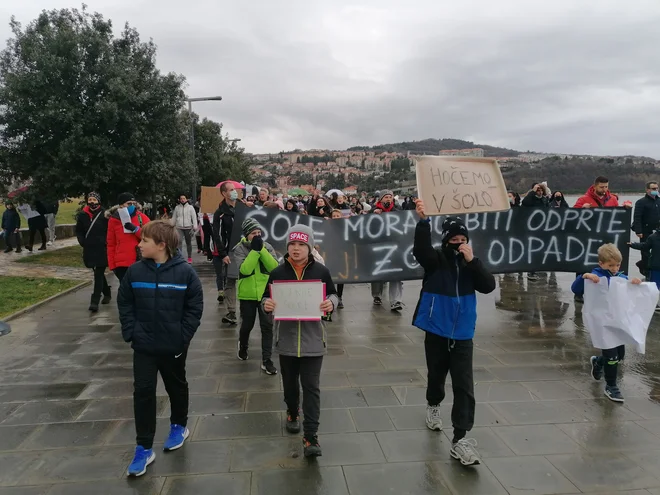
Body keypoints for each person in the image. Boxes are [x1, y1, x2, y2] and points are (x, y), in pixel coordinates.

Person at [412, 200, 496, 466]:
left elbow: (488, 286)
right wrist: (423, 222)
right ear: (446, 240)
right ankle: (433, 404)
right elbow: (421, 251)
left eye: (463, 239)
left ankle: (460, 438)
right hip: (437, 329)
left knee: (464, 385)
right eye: (454, 239)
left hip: (462, 334)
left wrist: (473, 262)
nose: (459, 243)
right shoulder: (436, 260)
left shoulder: (471, 264)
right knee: (436, 374)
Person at [119, 220, 204, 477]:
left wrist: (182, 337)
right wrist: (131, 332)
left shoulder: (185, 273)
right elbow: (125, 303)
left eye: (144, 240)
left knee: (176, 385)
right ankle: (143, 447)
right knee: (143, 391)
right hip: (143, 345)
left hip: (173, 345)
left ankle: (179, 425)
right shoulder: (134, 272)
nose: (140, 244)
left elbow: (195, 307)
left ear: (161, 245)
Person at [262, 225, 338, 458]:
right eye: (292, 244)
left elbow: (333, 294)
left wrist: (331, 303)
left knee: (311, 388)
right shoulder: (277, 273)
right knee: (290, 384)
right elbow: (266, 298)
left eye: (301, 244)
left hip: (313, 341)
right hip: (285, 339)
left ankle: (311, 436)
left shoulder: (322, 271)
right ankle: (292, 411)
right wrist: (266, 305)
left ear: (310, 247)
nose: (296, 249)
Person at [571, 244, 641, 403]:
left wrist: (634, 282)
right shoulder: (594, 275)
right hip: (602, 324)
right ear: (601, 264)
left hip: (616, 323)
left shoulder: (620, 277)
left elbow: (627, 286)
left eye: (618, 265)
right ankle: (611, 386)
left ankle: (598, 361)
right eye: (611, 265)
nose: (615, 268)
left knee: (620, 355)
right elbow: (575, 289)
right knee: (612, 356)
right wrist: (585, 277)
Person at [234, 218, 280, 375]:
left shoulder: (267, 246)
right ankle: (243, 346)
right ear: (247, 235)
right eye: (254, 233)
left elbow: (274, 267)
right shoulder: (239, 249)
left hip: (265, 294)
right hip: (247, 294)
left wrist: (262, 250)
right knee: (247, 325)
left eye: (259, 233)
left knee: (267, 327)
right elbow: (245, 270)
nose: (257, 236)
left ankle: (267, 360)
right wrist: (254, 251)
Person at [75, 192, 111, 312]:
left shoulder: (105, 214)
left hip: (102, 248)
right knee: (97, 271)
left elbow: (110, 230)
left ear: (98, 201)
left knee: (98, 273)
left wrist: (106, 242)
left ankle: (94, 301)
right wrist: (82, 242)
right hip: (89, 248)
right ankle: (107, 293)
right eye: (90, 199)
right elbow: (79, 230)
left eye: (94, 200)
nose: (92, 202)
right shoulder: (82, 215)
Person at [107, 192, 151, 284]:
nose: (132, 206)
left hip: (139, 260)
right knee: (125, 292)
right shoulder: (113, 220)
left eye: (133, 203)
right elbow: (111, 244)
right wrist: (112, 265)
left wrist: (136, 229)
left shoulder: (142, 217)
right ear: (121, 205)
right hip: (121, 263)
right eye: (129, 204)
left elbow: (151, 236)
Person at [370, 190, 404, 311]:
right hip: (378, 246)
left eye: (390, 197)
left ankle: (396, 301)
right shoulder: (373, 211)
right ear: (380, 199)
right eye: (386, 197)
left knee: (396, 273)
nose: (388, 199)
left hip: (394, 247)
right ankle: (377, 295)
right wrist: (373, 215)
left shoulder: (397, 212)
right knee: (378, 273)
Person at [213, 182, 240, 324]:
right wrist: (223, 254)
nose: (234, 192)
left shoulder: (242, 208)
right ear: (224, 193)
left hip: (246, 249)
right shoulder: (220, 213)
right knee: (230, 281)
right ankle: (231, 311)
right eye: (231, 190)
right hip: (231, 251)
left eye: (234, 189)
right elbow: (216, 234)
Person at [632, 182, 660, 277]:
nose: (655, 190)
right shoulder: (641, 202)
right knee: (645, 252)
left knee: (656, 252)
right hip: (645, 231)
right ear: (647, 190)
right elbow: (637, 217)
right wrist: (638, 231)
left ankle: (652, 269)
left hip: (657, 231)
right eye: (653, 188)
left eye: (656, 188)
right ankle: (646, 271)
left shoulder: (659, 201)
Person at [629, 229, 660, 309]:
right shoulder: (653, 237)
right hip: (656, 267)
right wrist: (632, 244)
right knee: (654, 287)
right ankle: (652, 304)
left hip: (655, 266)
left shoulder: (653, 237)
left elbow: (644, 246)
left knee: (654, 286)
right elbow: (644, 246)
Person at [171, 194, 198, 264]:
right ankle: (179, 256)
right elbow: (174, 217)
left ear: (186, 199)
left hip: (188, 227)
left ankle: (189, 257)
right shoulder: (177, 208)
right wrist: (171, 225)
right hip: (179, 227)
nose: (182, 200)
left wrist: (195, 226)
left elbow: (194, 217)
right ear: (179, 200)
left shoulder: (190, 208)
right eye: (181, 198)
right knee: (179, 242)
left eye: (184, 198)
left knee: (188, 242)